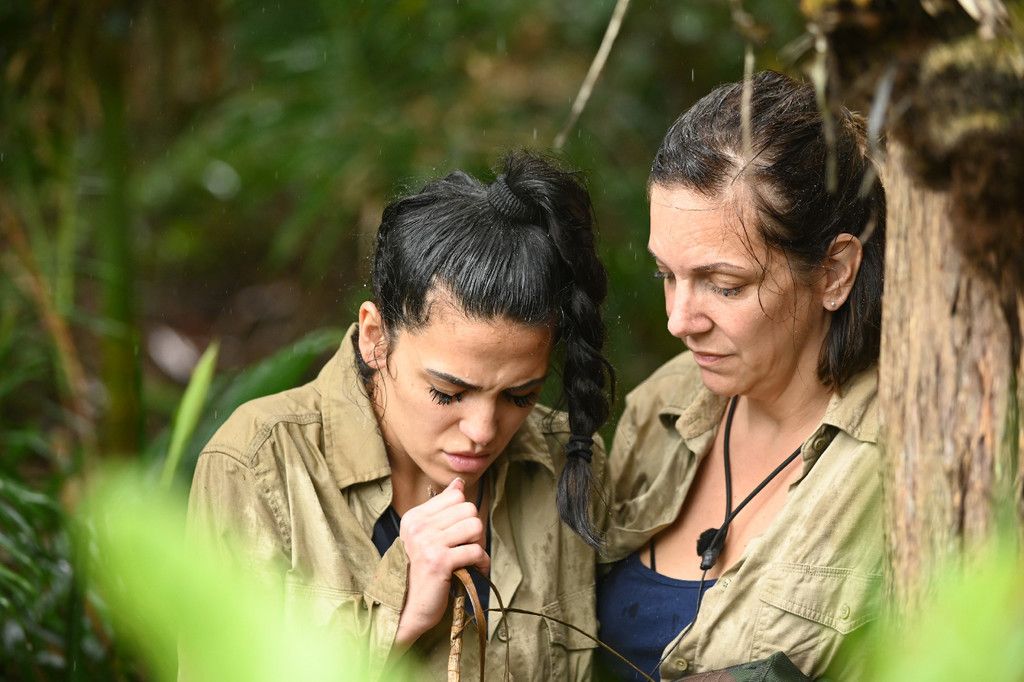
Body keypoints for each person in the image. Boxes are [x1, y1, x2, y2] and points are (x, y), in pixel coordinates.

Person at [182, 152, 614, 680]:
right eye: (448, 393)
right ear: (374, 337)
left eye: (519, 396)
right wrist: (397, 619)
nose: (482, 432)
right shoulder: (258, 465)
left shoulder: (568, 461)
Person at [596, 71, 886, 681]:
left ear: (834, 272)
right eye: (666, 276)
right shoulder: (663, 402)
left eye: (724, 285)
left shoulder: (900, 454)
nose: (679, 321)